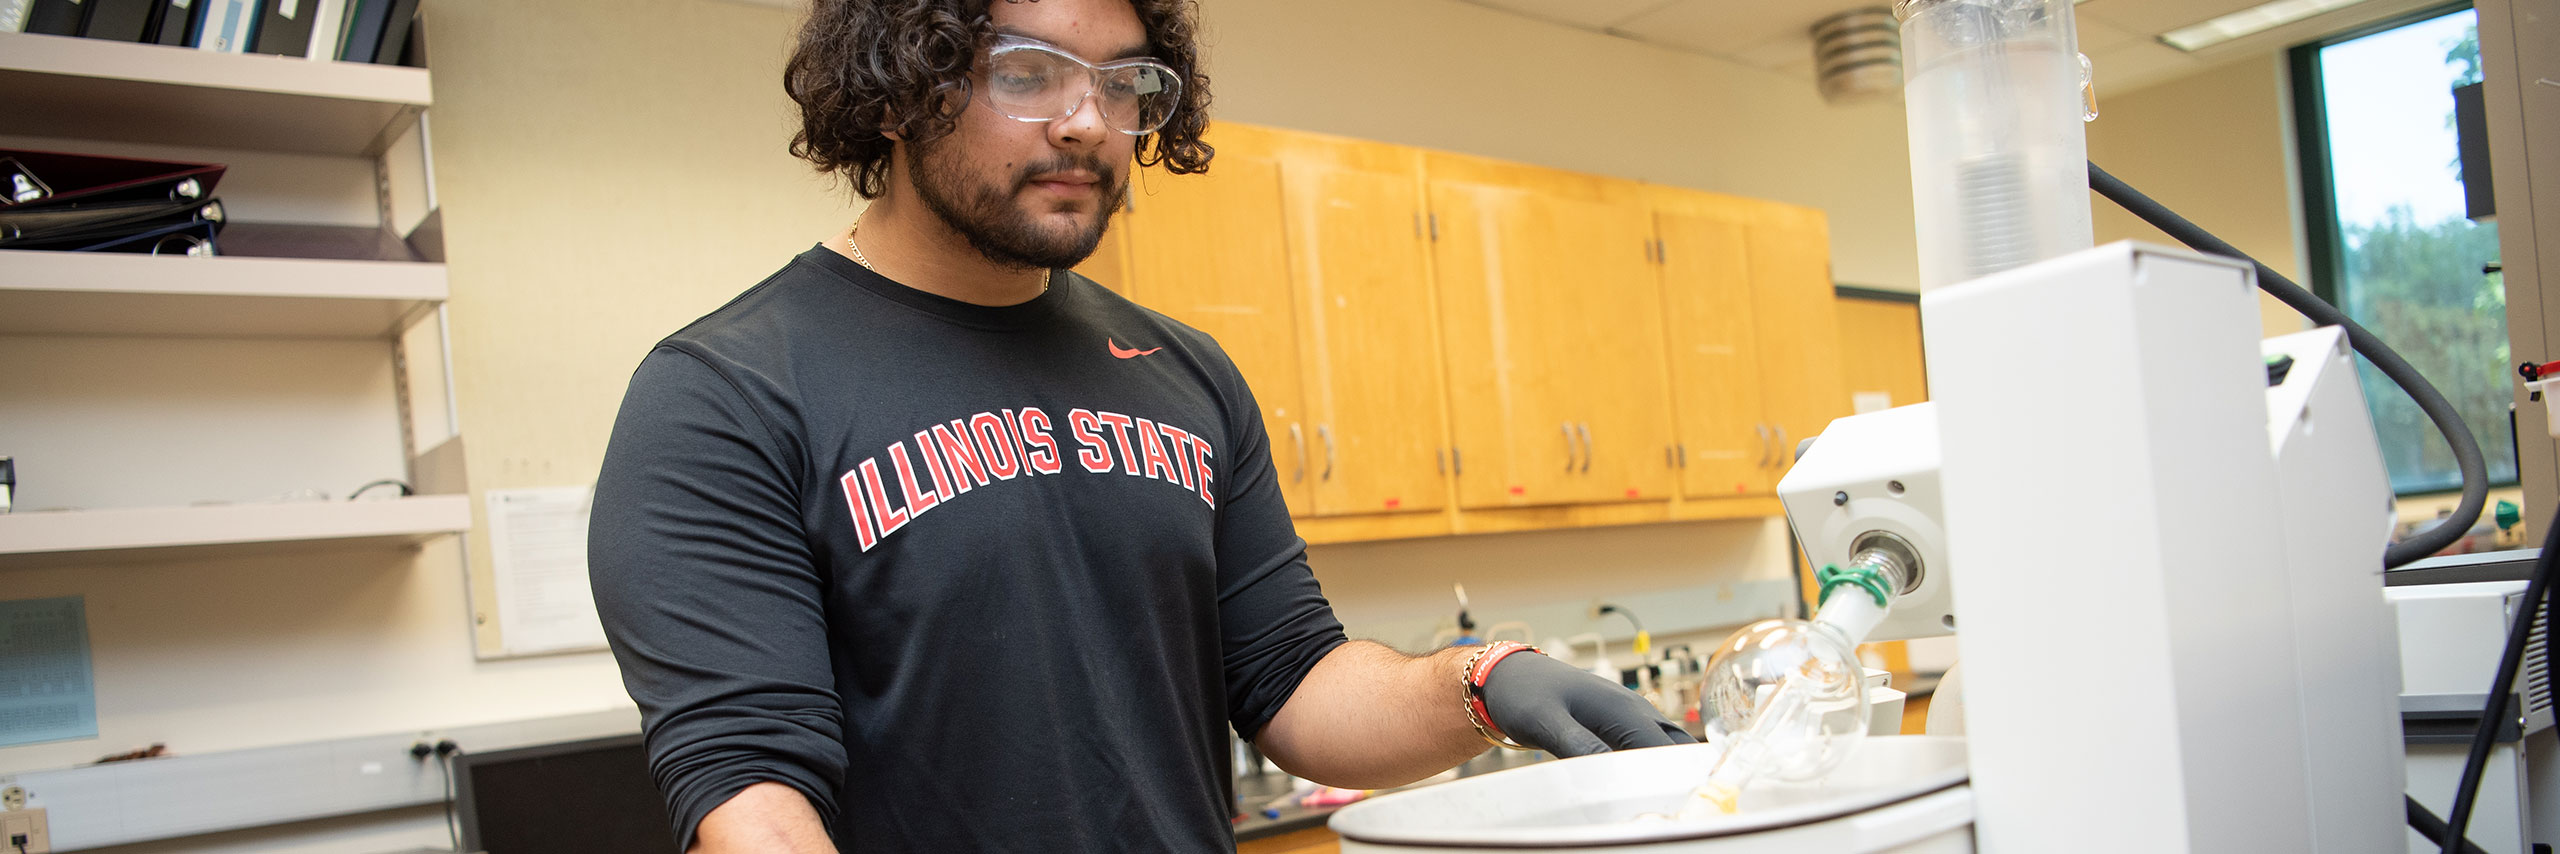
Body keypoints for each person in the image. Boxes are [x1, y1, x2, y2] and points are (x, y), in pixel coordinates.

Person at [586, 0, 1693, 851]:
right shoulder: (724, 394)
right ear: (892, 91)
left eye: (1125, 85)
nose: (1086, 122)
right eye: (1026, 73)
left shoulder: (1182, 372)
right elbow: (751, 795)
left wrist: (1483, 681)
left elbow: (1293, 680)